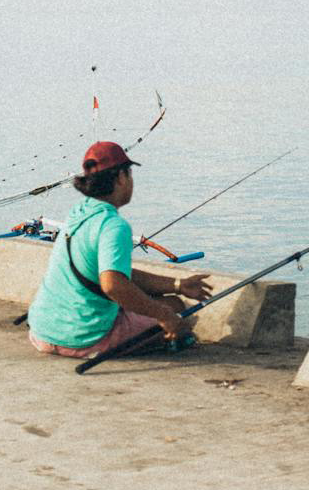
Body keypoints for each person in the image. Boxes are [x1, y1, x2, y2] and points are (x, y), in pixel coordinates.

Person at [26, 141, 214, 358]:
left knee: (168, 301)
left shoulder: (79, 212)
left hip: (42, 331)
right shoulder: (113, 226)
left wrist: (178, 285)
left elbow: (116, 273)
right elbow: (113, 285)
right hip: (82, 338)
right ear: (121, 178)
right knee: (175, 308)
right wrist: (164, 315)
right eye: (130, 174)